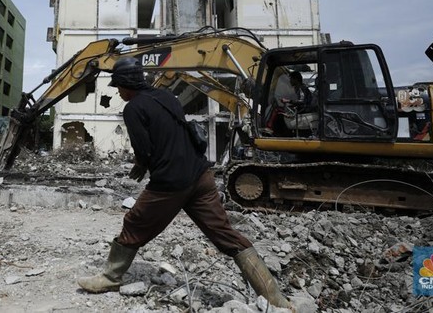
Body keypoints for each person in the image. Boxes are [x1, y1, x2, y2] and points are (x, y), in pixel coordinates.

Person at [77, 57, 291, 308]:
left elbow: (144, 150)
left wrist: (141, 165)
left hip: (170, 183)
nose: (119, 92)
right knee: (225, 235)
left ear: (126, 84)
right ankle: (277, 299)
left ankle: (110, 277)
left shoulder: (133, 108)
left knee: (135, 221)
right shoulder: (166, 97)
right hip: (201, 176)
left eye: (119, 87)